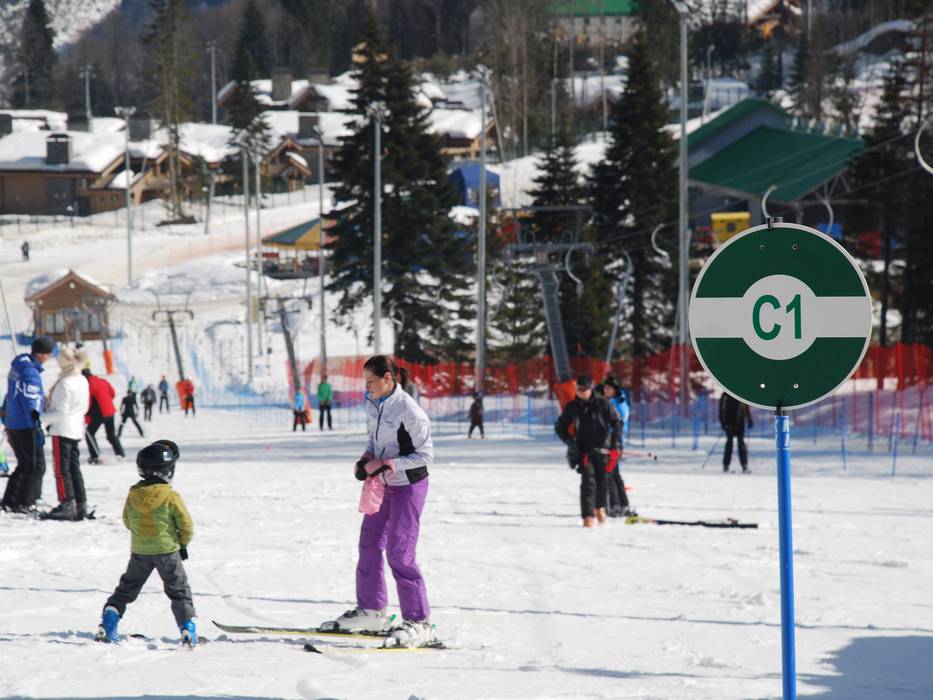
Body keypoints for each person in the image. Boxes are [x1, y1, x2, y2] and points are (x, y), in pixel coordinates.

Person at [321, 355, 436, 648]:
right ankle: (371, 611)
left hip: (409, 486)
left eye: (371, 381)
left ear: (388, 378)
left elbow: (425, 456)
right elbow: (374, 442)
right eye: (365, 381)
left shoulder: (410, 411)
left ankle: (419, 622)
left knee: (400, 552)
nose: (367, 387)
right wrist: (366, 459)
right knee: (369, 544)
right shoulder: (375, 404)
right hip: (383, 484)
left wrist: (388, 463)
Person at [96, 440, 197, 646]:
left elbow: (127, 520)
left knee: (127, 587)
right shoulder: (170, 496)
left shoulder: (134, 494)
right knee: (178, 590)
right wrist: (181, 543)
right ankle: (188, 628)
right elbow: (185, 525)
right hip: (167, 551)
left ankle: (109, 620)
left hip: (140, 552)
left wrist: (142, 537)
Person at [555, 374, 621, 528]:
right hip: (584, 451)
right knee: (588, 483)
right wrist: (570, 442)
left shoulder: (603, 404)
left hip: (603, 450)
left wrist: (615, 443)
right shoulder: (572, 407)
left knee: (602, 482)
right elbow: (560, 426)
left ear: (590, 389)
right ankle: (588, 516)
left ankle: (599, 508)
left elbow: (617, 423)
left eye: (583, 389)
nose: (579, 392)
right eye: (577, 389)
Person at [1, 337, 52, 513]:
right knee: (35, 465)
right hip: (25, 424)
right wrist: (35, 421)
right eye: (48, 353)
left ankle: (11, 499)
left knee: (24, 464)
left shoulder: (19, 366)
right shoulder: (30, 372)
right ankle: (25, 501)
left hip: (13, 422)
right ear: (42, 354)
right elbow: (30, 399)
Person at [41, 343, 91, 521]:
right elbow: (84, 407)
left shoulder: (65, 383)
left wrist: (40, 417)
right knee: (74, 467)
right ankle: (81, 503)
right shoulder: (82, 379)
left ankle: (67, 503)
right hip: (76, 428)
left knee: (62, 469)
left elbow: (60, 412)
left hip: (62, 429)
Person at [601, 379, 634, 518]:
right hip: (606, 441)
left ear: (615, 389)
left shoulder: (620, 403)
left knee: (610, 474)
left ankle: (616, 505)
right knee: (613, 474)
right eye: (605, 388)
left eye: (609, 388)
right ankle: (620, 504)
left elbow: (619, 422)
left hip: (615, 442)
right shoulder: (607, 401)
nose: (606, 390)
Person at [84, 368, 125, 464]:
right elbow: (112, 393)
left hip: (100, 412)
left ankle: (95, 456)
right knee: (111, 434)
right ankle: (120, 454)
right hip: (110, 411)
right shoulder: (103, 380)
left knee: (89, 433)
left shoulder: (88, 384)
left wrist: (86, 416)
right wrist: (107, 401)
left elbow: (88, 401)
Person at [720, 393, 753, 473]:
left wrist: (749, 419)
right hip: (729, 422)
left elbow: (746, 406)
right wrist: (723, 422)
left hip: (740, 421)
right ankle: (726, 465)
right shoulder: (726, 394)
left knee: (741, 443)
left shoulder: (742, 392)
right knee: (729, 443)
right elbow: (721, 409)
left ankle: (744, 465)